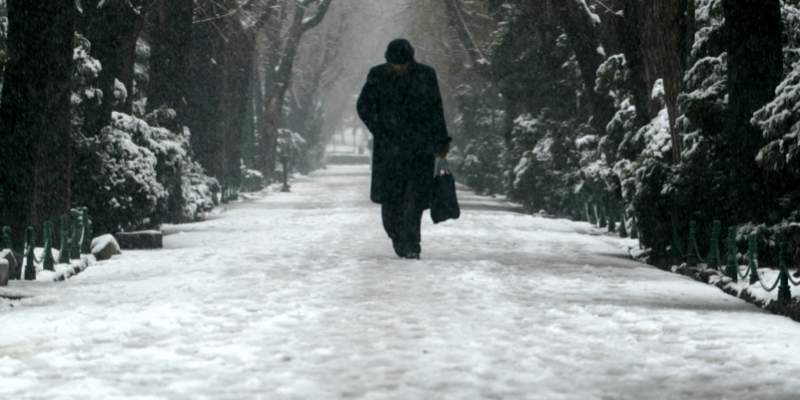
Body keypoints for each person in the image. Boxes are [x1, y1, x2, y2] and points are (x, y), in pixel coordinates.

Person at [356, 38, 451, 259]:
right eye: (395, 65)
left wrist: (441, 142)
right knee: (390, 202)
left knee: (414, 200)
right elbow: (364, 106)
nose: (399, 68)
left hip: (420, 148)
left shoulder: (426, 75)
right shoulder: (378, 75)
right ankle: (398, 237)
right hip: (389, 150)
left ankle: (412, 244)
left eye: (403, 64)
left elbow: (436, 109)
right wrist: (380, 128)